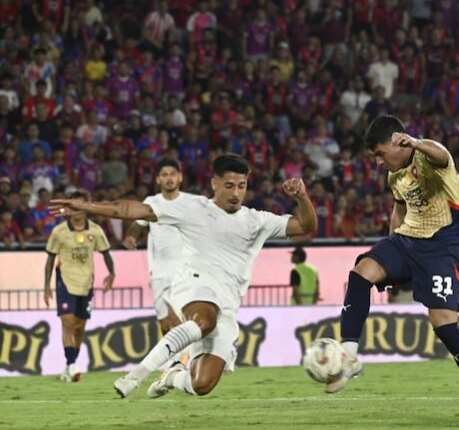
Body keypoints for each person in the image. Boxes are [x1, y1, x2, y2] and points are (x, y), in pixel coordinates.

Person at [50, 154, 317, 399]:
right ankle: (137, 375)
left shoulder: (257, 221)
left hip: (227, 303)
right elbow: (131, 210)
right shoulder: (193, 208)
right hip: (194, 285)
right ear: (214, 184)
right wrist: (87, 206)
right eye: (229, 185)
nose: (236, 193)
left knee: (202, 385)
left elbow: (306, 226)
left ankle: (172, 377)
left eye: (242, 185)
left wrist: (302, 198)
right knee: (205, 318)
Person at [332, 115, 459, 426]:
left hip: (444, 246)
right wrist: (392, 245)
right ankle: (349, 357)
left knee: (444, 326)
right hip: (407, 240)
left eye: (380, 153)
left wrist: (417, 142)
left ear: (397, 141)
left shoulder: (430, 157)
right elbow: (399, 207)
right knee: (361, 272)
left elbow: (441, 154)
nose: (379, 162)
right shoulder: (395, 176)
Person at [44, 191, 115, 382]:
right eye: (73, 205)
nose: (76, 209)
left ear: (86, 207)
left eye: (80, 204)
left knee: (79, 327)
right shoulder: (59, 232)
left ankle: (69, 366)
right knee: (67, 322)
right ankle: (73, 364)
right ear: (68, 208)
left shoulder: (95, 231)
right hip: (65, 281)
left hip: (86, 283)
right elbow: (50, 259)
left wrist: (112, 273)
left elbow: (106, 253)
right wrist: (46, 286)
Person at [123, 157, 189, 333]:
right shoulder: (151, 202)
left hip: (184, 270)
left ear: (180, 177)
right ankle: (176, 359)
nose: (169, 178)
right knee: (164, 322)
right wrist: (131, 237)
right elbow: (138, 225)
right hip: (159, 271)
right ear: (158, 179)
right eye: (164, 175)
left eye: (172, 174)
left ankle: (185, 359)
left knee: (180, 317)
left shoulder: (190, 203)